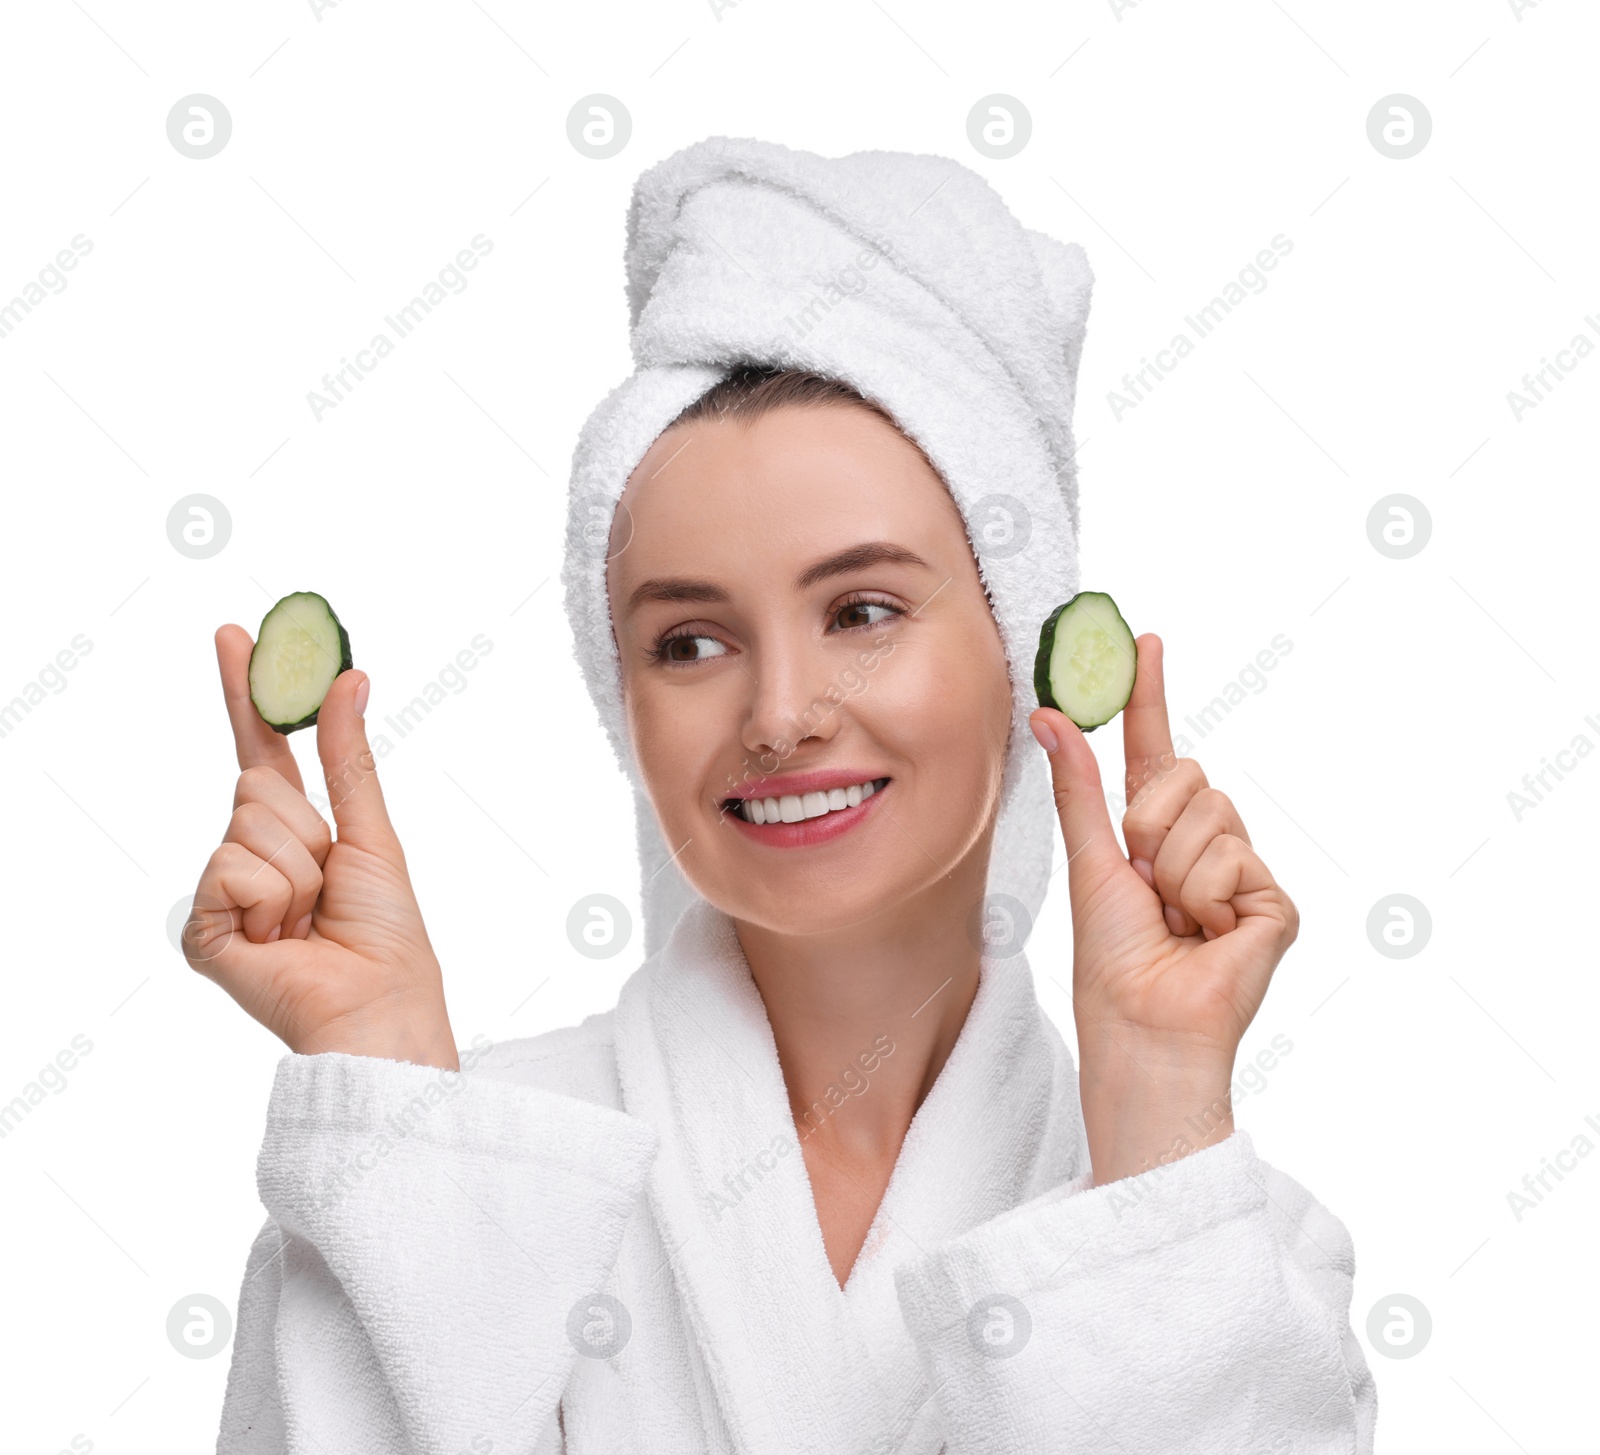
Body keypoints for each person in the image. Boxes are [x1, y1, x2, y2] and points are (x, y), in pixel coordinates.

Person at [191, 137, 1377, 1453]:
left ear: (1018, 644)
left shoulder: (1234, 1248)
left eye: (863, 610)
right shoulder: (449, 1164)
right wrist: (400, 1119)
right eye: (689, 643)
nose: (778, 716)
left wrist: (1157, 1108)